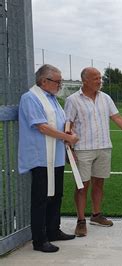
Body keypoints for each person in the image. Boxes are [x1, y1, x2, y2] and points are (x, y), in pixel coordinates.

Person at [64, 67, 122, 237]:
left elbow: (118, 118)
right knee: (82, 186)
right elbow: (68, 125)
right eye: (95, 78)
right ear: (85, 80)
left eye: (100, 78)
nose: (99, 81)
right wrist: (69, 149)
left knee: (99, 183)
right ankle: (81, 221)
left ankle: (96, 215)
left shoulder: (106, 98)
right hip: (83, 150)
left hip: (104, 147)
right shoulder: (72, 100)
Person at [18, 64, 78, 252]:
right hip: (41, 157)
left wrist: (68, 128)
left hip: (56, 156)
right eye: (57, 82)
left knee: (56, 195)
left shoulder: (51, 99)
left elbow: (59, 122)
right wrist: (67, 137)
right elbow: (41, 126)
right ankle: (39, 239)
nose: (60, 85)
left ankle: (53, 230)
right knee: (41, 198)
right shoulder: (30, 98)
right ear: (44, 81)